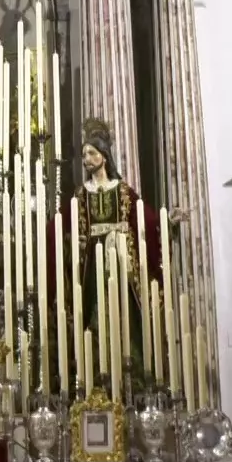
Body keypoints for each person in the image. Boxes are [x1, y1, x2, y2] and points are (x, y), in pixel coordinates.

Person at [72, 118, 160, 395]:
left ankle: (131, 375)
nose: (86, 159)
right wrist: (71, 241)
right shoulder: (80, 195)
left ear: (104, 156)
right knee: (95, 319)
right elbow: (64, 229)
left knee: (127, 316)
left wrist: (169, 224)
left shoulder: (123, 192)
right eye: (84, 154)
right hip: (93, 268)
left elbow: (148, 221)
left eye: (91, 153)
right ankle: (98, 375)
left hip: (121, 264)